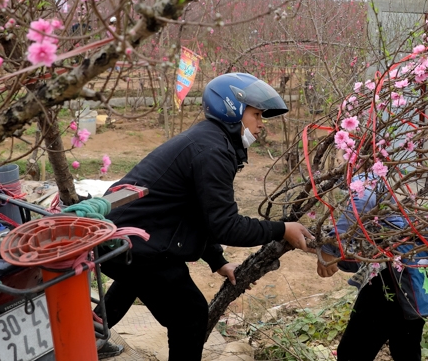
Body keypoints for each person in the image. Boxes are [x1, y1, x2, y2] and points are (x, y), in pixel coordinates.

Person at [100, 72, 314, 360]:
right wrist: (281, 228)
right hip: (134, 241)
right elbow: (227, 226)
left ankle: (89, 337)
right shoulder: (212, 150)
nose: (261, 125)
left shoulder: (212, 141)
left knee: (136, 279)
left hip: (126, 235)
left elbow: (200, 212)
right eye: (257, 115)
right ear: (232, 109)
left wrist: (217, 261)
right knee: (190, 313)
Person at [316, 175, 426, 361]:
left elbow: (362, 202)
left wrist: (330, 248)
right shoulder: (395, 168)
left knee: (353, 353)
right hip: (414, 271)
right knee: (406, 348)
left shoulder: (368, 172)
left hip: (389, 277)